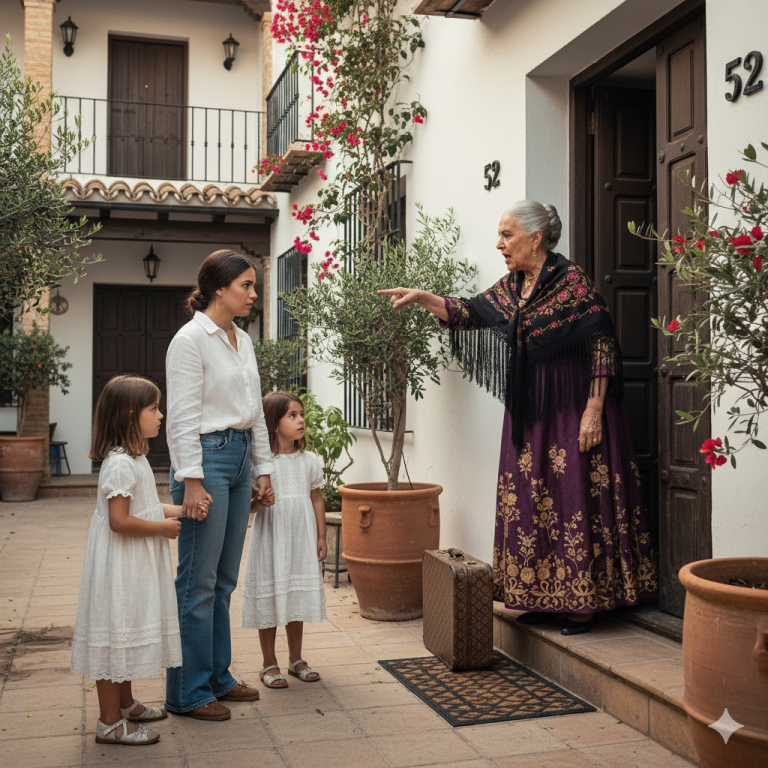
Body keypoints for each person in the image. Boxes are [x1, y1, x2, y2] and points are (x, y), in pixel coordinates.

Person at [380, 200, 657, 635]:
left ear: (535, 238)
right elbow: (470, 311)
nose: (499, 243)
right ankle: (542, 598)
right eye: (500, 234)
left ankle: (582, 603)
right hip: (531, 413)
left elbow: (602, 344)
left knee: (573, 496)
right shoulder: (513, 286)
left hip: (571, 409)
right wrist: (422, 298)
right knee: (531, 497)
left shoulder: (571, 282)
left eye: (507, 235)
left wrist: (594, 410)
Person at [165, 249, 275, 720]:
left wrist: (263, 467)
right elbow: (183, 418)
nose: (254, 294)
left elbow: (254, 411)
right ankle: (187, 692)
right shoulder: (190, 340)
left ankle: (218, 677)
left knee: (225, 581)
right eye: (245, 286)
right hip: (205, 462)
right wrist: (191, 480)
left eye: (254, 286)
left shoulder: (242, 339)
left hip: (239, 458)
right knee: (198, 583)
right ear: (217, 290)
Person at [71, 375, 207, 745]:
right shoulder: (119, 465)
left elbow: (144, 505)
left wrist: (182, 510)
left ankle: (126, 703)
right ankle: (110, 723)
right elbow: (119, 521)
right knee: (115, 634)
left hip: (132, 561)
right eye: (153, 408)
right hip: (120, 563)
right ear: (131, 414)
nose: (161, 415)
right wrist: (162, 529)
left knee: (125, 631)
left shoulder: (137, 458)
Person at [241, 391, 328, 688]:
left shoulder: (310, 461)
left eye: (301, 414)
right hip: (271, 537)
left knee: (295, 597)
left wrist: (321, 536)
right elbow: (250, 506)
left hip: (300, 538)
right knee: (269, 598)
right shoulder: (261, 464)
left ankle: (296, 659)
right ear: (274, 425)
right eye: (292, 415)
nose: (301, 420)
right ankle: (269, 663)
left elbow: (316, 499)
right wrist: (259, 503)